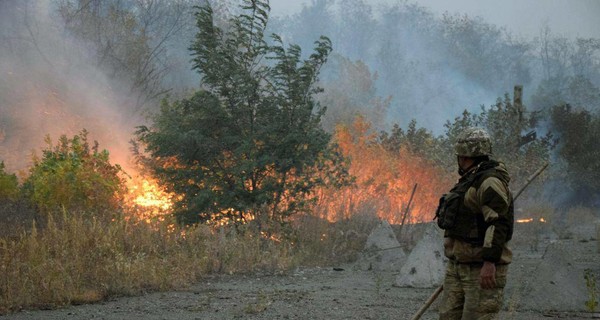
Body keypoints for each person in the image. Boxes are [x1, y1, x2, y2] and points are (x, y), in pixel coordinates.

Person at [435, 127, 514, 320]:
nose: (460, 160)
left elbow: (498, 223)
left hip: (479, 269)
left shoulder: (489, 182)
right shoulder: (469, 180)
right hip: (459, 265)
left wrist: (489, 262)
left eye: (462, 156)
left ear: (466, 156)